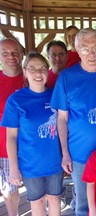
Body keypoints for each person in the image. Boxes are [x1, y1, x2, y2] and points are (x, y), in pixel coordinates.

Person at [50, 28, 96, 216]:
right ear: (77, 49)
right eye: (85, 48)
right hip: (80, 154)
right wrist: (65, 153)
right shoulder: (66, 77)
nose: (92, 54)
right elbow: (62, 119)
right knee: (83, 204)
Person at [1, 52, 63, 216]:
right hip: (30, 163)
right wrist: (14, 167)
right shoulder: (15, 100)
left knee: (55, 199)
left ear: (47, 71)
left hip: (55, 160)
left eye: (42, 68)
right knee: (38, 202)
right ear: (25, 71)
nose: (38, 73)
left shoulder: (56, 95)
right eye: (32, 68)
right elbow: (11, 137)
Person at [0, 38, 24, 216]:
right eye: (5, 53)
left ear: (22, 54)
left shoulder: (31, 77)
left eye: (15, 52)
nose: (11, 57)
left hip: (21, 148)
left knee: (13, 189)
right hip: (1, 146)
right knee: (7, 189)